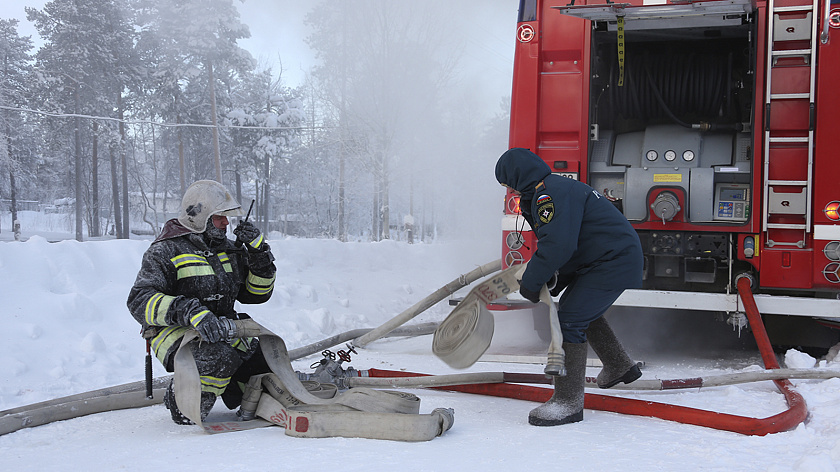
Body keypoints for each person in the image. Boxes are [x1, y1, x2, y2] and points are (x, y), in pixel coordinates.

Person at [495, 148, 644, 426]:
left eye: (508, 183)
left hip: (612, 261)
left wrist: (532, 283)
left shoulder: (548, 195)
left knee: (570, 320)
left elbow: (558, 246)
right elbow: (572, 242)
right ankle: (619, 365)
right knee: (579, 310)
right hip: (606, 258)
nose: (510, 190)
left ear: (518, 176)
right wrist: (555, 281)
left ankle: (567, 402)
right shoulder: (552, 189)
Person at [127, 180, 276, 425]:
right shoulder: (166, 250)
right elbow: (139, 300)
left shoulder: (228, 250)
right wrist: (190, 311)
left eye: (227, 217)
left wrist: (259, 254)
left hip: (220, 329)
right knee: (219, 358)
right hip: (176, 332)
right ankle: (184, 406)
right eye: (219, 218)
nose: (226, 223)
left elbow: (257, 294)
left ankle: (235, 390)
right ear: (200, 217)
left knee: (267, 371)